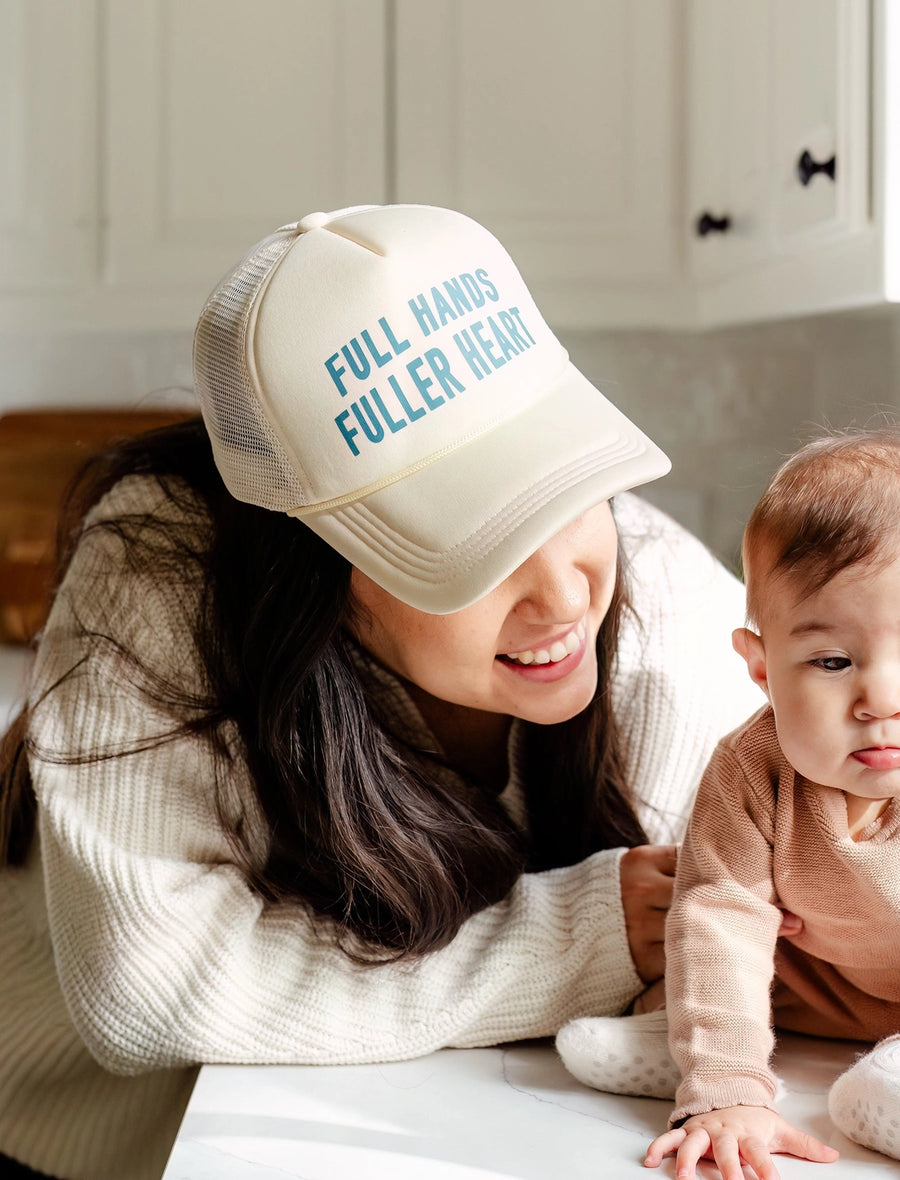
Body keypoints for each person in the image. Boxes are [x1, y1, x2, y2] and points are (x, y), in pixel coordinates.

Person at [0, 204, 761, 1180]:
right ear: (312, 560)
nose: (567, 590)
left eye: (572, 486)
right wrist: (588, 934)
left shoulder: (670, 603)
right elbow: (147, 987)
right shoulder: (158, 568)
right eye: (477, 537)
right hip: (82, 1146)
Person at [557, 428, 900, 1179]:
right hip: (812, 987)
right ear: (761, 666)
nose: (883, 700)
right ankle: (695, 1043)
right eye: (833, 662)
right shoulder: (753, 770)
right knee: (710, 946)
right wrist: (725, 1091)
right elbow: (721, 916)